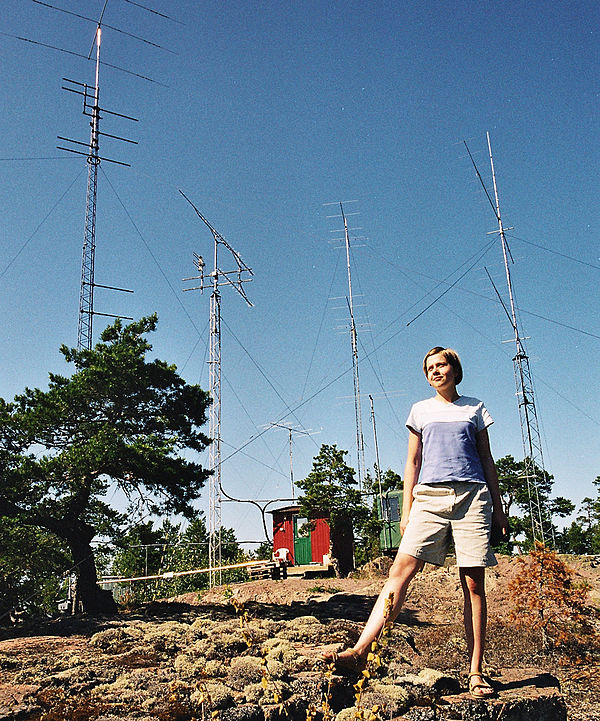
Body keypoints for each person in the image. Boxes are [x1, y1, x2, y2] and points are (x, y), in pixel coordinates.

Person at [322, 346, 509, 699]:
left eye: (442, 365)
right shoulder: (420, 411)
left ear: (455, 369)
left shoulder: (475, 408)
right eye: (430, 368)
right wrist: (406, 511)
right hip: (428, 498)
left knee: (473, 583)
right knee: (400, 572)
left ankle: (476, 671)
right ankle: (360, 652)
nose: (436, 372)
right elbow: (412, 462)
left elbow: (486, 457)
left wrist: (498, 508)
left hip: (472, 497)